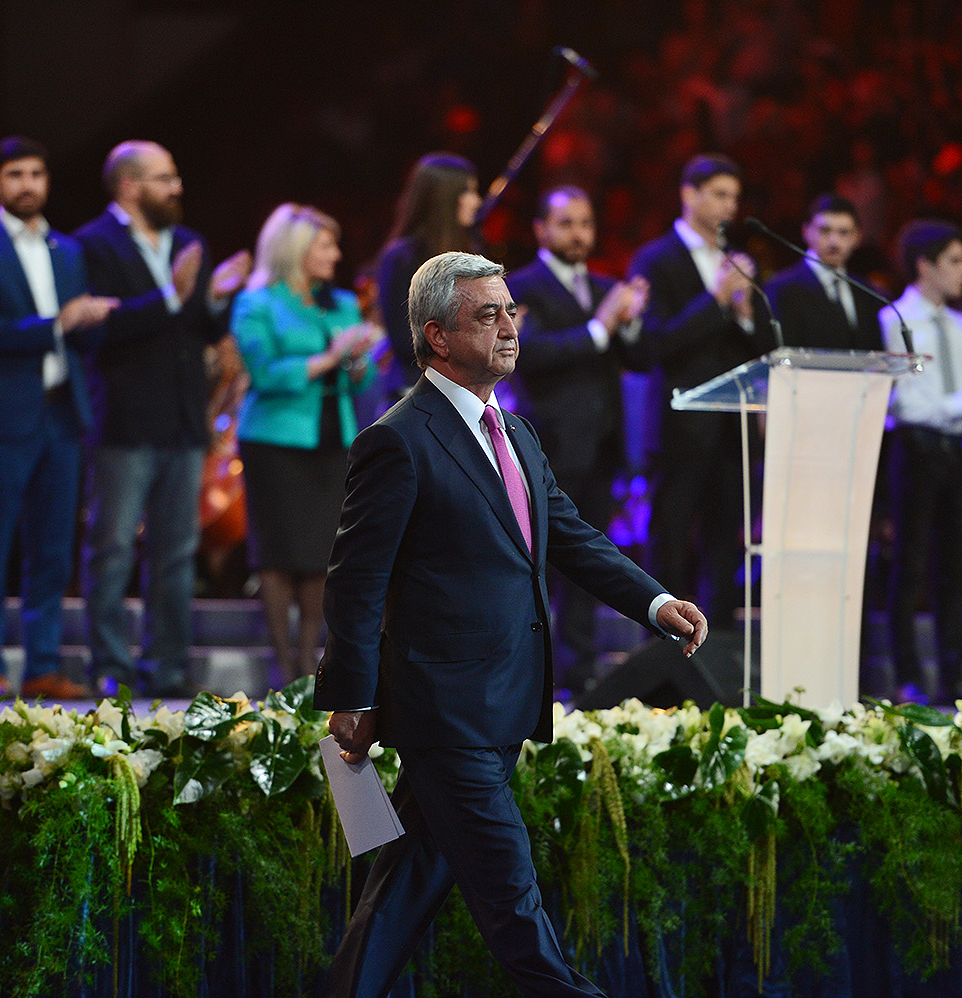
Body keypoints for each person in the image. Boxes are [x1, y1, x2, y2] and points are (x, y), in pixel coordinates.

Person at [316, 251, 708, 997]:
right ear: (437, 335)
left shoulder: (517, 433)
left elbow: (573, 538)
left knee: (401, 893)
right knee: (514, 904)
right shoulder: (398, 439)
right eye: (487, 315)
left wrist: (656, 604)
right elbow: (355, 582)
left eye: (510, 312)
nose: (508, 328)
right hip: (445, 713)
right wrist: (353, 696)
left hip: (502, 704)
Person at [76, 140, 250, 699]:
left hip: (182, 422)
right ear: (129, 186)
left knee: (175, 553)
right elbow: (98, 331)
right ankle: (110, 665)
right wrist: (169, 297)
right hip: (124, 423)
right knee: (112, 549)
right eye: (164, 178)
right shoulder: (91, 245)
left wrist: (216, 299)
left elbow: (201, 330)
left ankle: (167, 666)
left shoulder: (188, 242)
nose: (177, 188)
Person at [0, 137, 117, 700]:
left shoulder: (66, 250)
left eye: (36, 174)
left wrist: (95, 320)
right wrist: (56, 323)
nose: (27, 185)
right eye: (15, 174)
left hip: (61, 413)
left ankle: (43, 666)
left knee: (52, 550)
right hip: (2, 414)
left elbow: (80, 337)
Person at [507, 185, 649, 691]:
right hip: (550, 443)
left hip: (604, 444)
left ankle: (582, 670)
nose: (579, 234)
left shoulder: (607, 285)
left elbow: (638, 358)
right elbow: (529, 354)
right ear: (541, 229)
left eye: (586, 223)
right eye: (566, 223)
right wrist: (601, 326)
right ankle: (531, 669)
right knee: (539, 562)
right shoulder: (521, 285)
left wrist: (629, 325)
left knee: (591, 560)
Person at [231, 203, 379, 684]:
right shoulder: (257, 304)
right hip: (275, 441)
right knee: (278, 554)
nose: (335, 255)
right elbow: (265, 373)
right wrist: (329, 357)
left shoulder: (343, 304)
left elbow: (361, 380)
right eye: (326, 246)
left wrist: (357, 362)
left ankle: (312, 662)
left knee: (322, 554)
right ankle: (283, 665)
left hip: (334, 439)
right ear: (295, 250)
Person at [627, 153, 770, 623]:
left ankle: (718, 641)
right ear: (689, 194)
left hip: (732, 428)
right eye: (719, 194)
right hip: (680, 426)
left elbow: (763, 348)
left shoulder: (737, 261)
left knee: (725, 538)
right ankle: (661, 641)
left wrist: (745, 314)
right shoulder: (656, 258)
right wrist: (715, 301)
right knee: (670, 536)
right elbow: (653, 344)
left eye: (734, 197)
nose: (730, 206)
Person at [880, 220, 962, 705]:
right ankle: (908, 675)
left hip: (954, 451)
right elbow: (904, 403)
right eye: (954, 261)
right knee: (910, 564)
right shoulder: (894, 318)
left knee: (954, 568)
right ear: (925, 266)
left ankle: (952, 678)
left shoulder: (958, 323)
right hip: (914, 449)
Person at [374, 152, 480, 399]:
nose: (477, 201)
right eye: (468, 192)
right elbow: (406, 340)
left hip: (464, 391)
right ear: (445, 198)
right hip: (418, 392)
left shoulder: (472, 252)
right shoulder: (402, 258)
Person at [765, 193, 885, 352]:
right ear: (806, 231)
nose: (834, 242)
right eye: (825, 230)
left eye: (843, 232)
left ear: (857, 237)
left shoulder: (867, 292)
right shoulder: (781, 288)